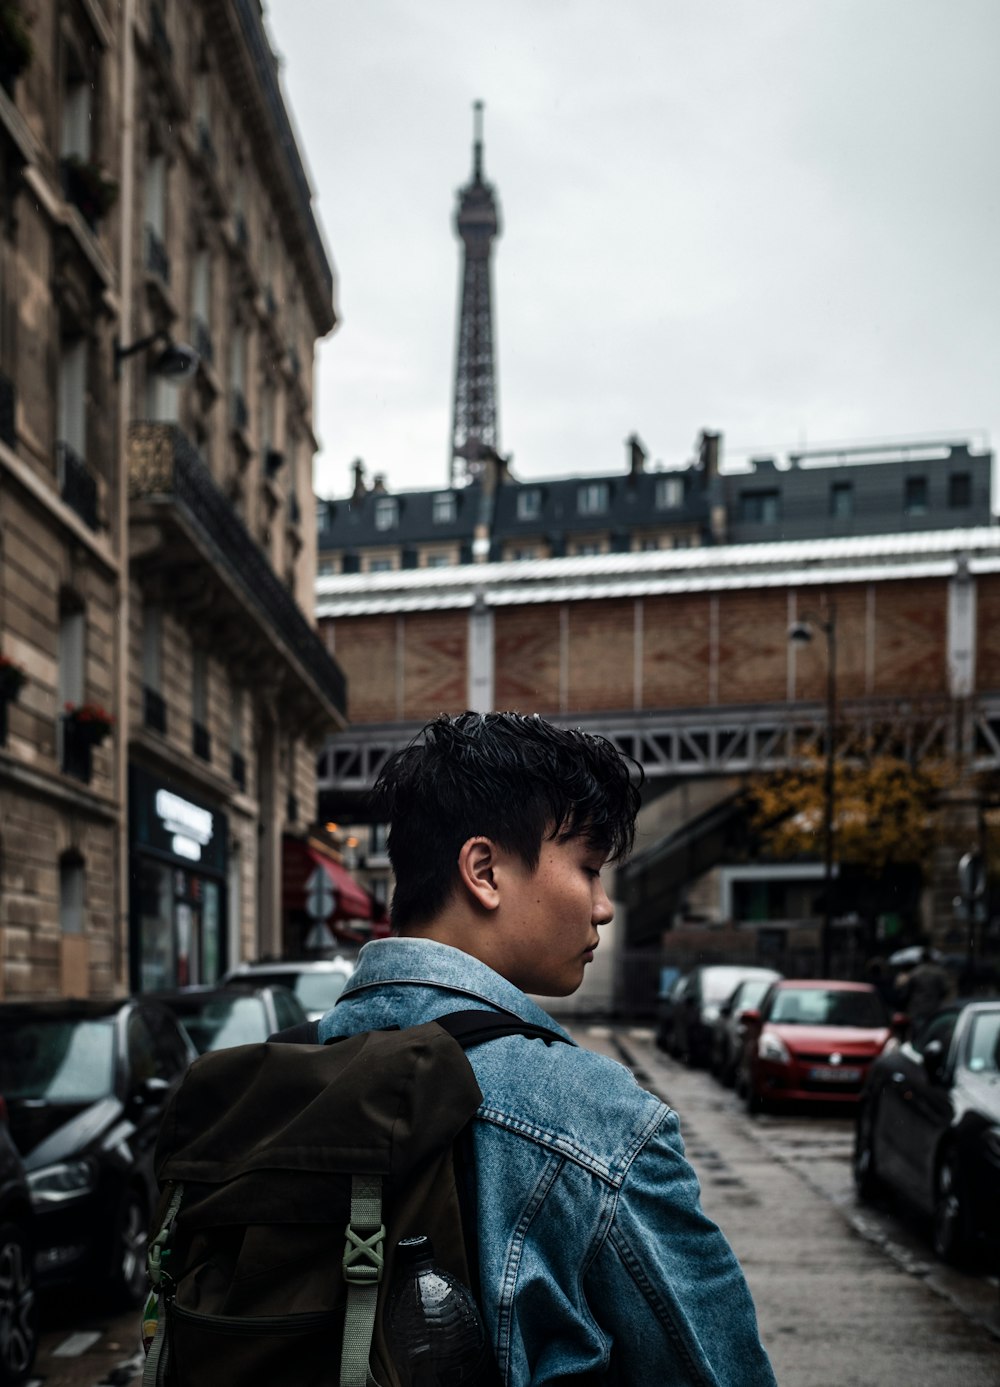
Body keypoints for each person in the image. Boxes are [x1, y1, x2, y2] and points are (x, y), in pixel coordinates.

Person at [320, 712, 776, 1386]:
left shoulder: (282, 1072)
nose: (604, 906)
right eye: (590, 868)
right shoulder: (597, 1119)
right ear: (484, 870)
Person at [899, 947, 953, 1034]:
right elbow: (945, 990)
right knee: (933, 1031)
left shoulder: (914, 973)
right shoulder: (938, 972)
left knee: (918, 1032)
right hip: (934, 1007)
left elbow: (907, 992)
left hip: (917, 1008)